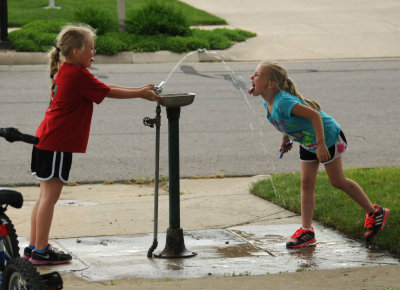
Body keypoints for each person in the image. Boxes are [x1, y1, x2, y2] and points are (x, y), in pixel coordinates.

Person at [22, 24, 162, 265]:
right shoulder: (76, 75)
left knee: (44, 196)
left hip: (45, 141)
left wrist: (140, 90)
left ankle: (34, 247)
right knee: (49, 198)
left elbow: (105, 89)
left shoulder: (67, 69)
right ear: (77, 52)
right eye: (91, 49)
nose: (94, 53)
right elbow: (109, 92)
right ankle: (41, 252)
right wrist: (140, 94)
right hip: (56, 143)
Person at [249, 61, 389, 248]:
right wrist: (286, 139)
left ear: (270, 84)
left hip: (328, 137)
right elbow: (288, 122)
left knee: (337, 181)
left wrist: (321, 145)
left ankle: (374, 213)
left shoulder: (283, 102)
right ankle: (307, 231)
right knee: (306, 183)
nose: (252, 77)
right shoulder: (269, 101)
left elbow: (314, 116)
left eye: (257, 75)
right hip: (308, 142)